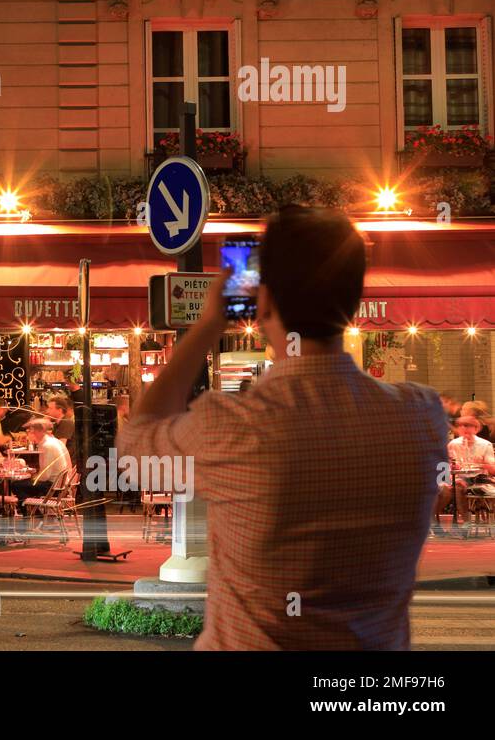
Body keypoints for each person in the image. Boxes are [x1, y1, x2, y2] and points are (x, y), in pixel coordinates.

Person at [117, 205, 448, 650]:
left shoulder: (234, 427)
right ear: (352, 300)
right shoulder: (421, 417)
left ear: (263, 300)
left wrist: (209, 322)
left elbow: (137, 447)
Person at [435, 414, 495, 535]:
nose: (464, 428)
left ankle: (466, 522)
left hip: (479, 480)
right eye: (461, 426)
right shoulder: (453, 444)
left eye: (468, 426)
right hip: (456, 478)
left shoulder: (485, 445)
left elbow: (492, 469)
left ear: (476, 428)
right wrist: (450, 470)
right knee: (443, 489)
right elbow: (444, 466)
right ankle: (432, 520)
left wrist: (481, 465)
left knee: (459, 486)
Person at [11, 419, 73, 512]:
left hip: (54, 488)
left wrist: (32, 477)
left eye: (30, 431)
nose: (28, 435)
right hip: (61, 486)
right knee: (24, 483)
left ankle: (32, 513)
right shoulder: (54, 441)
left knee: (16, 485)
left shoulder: (47, 445)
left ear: (37, 432)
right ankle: (32, 511)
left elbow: (45, 476)